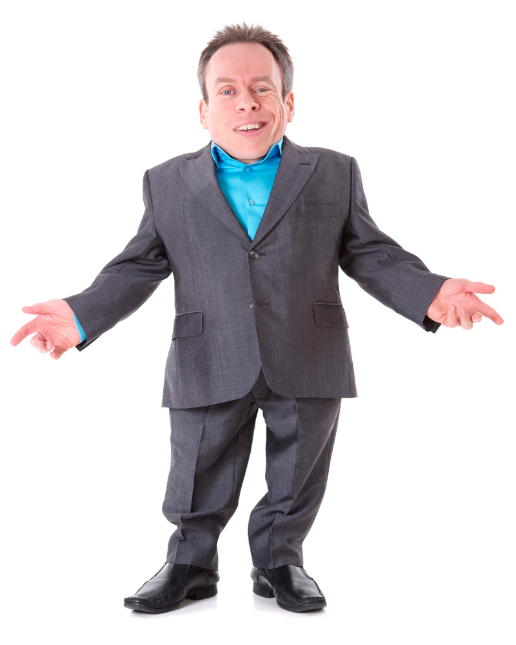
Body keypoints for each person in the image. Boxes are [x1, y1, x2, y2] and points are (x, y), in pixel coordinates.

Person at [10, 22, 504, 614]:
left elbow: (369, 252)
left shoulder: (333, 171)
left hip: (307, 346)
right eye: (227, 90)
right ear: (203, 110)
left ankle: (279, 560)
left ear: (288, 103)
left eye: (262, 89)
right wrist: (81, 314)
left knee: (298, 472)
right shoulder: (166, 182)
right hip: (207, 350)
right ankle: (190, 563)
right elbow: (138, 265)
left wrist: (429, 292)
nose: (246, 102)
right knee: (196, 466)